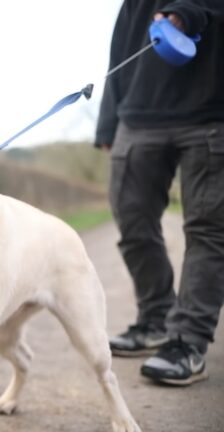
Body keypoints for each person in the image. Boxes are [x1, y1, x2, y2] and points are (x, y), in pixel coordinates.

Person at [96, 0, 224, 386]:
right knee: (131, 220)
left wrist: (190, 11)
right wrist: (107, 125)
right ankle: (155, 319)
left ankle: (187, 341)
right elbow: (120, 48)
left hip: (211, 113)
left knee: (206, 228)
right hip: (137, 117)